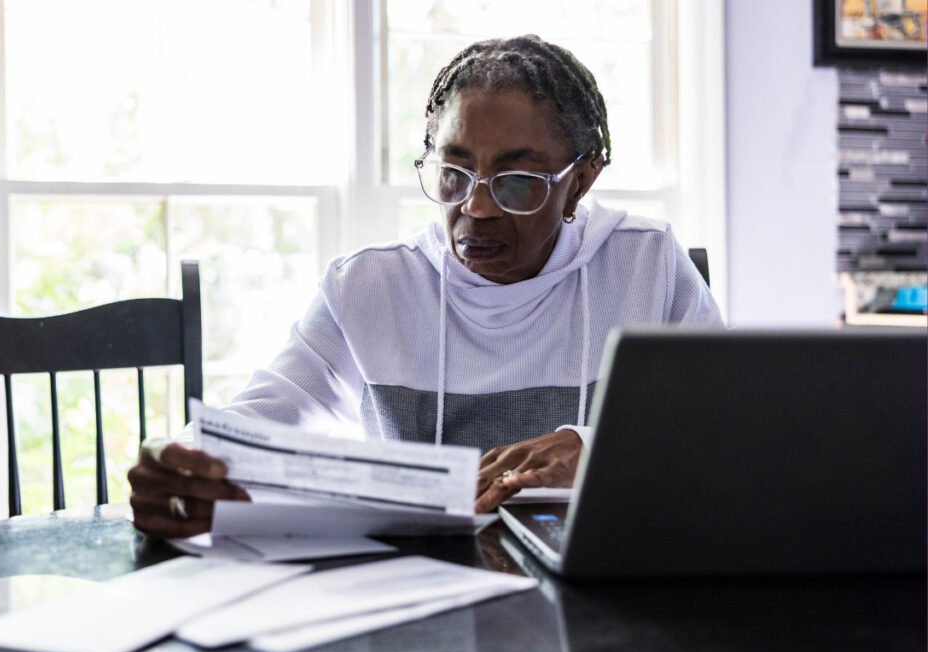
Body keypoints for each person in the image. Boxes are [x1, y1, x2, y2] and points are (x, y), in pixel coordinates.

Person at [128, 34, 723, 539]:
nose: (478, 207)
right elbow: (261, 422)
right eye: (454, 173)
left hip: (597, 594)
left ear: (582, 181)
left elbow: (725, 433)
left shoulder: (645, 264)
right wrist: (179, 464)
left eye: (516, 181)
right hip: (419, 604)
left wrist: (593, 449)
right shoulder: (367, 287)